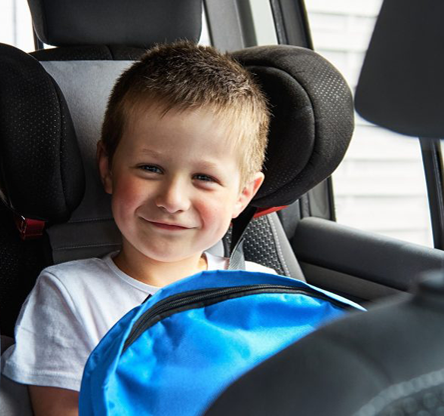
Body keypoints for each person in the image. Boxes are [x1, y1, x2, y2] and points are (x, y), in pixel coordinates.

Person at [1, 41, 272, 416]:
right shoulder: (70, 296)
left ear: (243, 195)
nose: (173, 199)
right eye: (150, 168)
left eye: (204, 177)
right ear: (107, 168)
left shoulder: (265, 291)